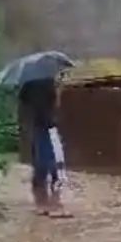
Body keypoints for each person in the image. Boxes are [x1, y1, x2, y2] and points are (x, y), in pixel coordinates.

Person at [19, 77, 70, 218]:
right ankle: (49, 202)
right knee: (49, 164)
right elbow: (55, 106)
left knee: (46, 164)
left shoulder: (29, 82)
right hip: (44, 127)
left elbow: (24, 105)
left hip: (41, 127)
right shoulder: (43, 83)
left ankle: (46, 201)